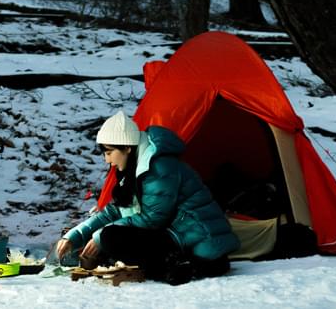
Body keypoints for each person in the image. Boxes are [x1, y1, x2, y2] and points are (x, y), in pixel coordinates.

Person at [55, 111, 239, 284]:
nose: (107, 160)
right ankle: (165, 264)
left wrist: (99, 237)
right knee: (105, 241)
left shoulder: (159, 166)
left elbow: (153, 219)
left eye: (109, 152)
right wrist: (75, 236)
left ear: (127, 148)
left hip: (195, 238)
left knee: (110, 237)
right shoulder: (133, 168)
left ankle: (181, 266)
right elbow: (114, 212)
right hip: (172, 234)